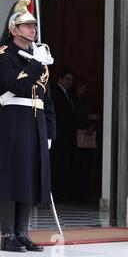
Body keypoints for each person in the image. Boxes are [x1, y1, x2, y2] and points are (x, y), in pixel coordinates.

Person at [0, 0, 56, 252]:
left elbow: (46, 99)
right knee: (10, 175)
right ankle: (8, 236)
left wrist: (50, 130)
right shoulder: (2, 57)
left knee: (30, 175)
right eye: (28, 26)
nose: (33, 30)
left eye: (34, 26)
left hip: (35, 122)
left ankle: (22, 232)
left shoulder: (39, 57)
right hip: (13, 121)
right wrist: (35, 64)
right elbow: (15, 87)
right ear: (14, 29)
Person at [50, 69, 77, 202]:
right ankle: (56, 194)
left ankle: (61, 193)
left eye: (71, 80)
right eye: (67, 79)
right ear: (60, 79)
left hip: (67, 137)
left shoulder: (68, 94)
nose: (70, 82)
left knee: (65, 165)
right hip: (59, 136)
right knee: (57, 165)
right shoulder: (55, 92)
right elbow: (55, 113)